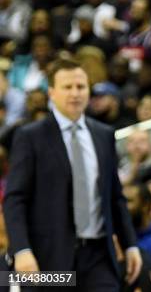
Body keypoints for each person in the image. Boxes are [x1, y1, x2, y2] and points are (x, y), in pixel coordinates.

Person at [3, 58, 142, 290]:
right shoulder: (30, 136)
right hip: (49, 258)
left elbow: (115, 197)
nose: (75, 93)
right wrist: (21, 249)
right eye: (68, 87)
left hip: (98, 254)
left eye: (81, 86)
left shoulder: (104, 134)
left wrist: (130, 245)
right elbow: (15, 198)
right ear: (52, 93)